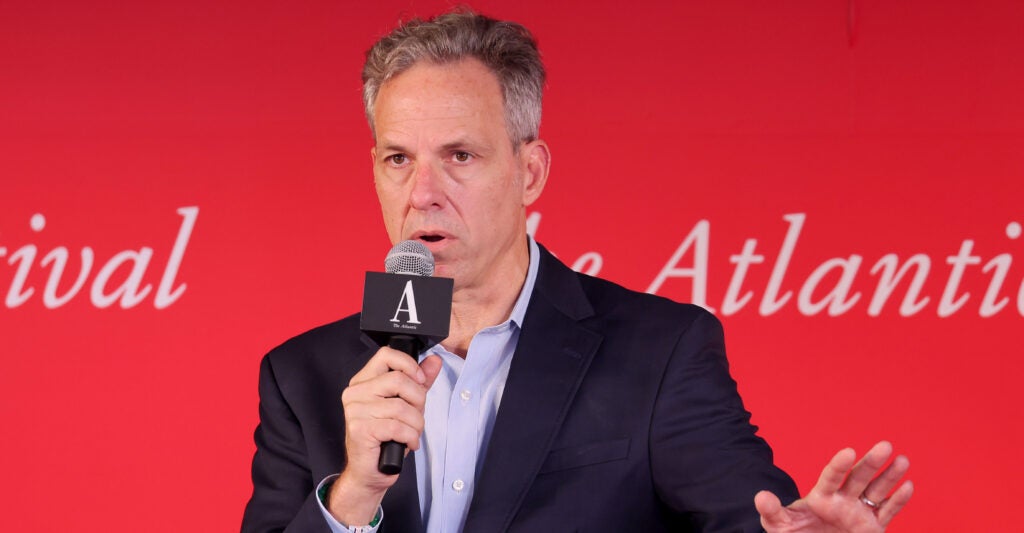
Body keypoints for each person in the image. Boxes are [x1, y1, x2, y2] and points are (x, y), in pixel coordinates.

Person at [241, 10, 913, 533]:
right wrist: (352, 495)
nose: (422, 193)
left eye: (460, 156)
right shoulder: (302, 375)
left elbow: (752, 518)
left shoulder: (661, 353)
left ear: (530, 172)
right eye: (398, 159)